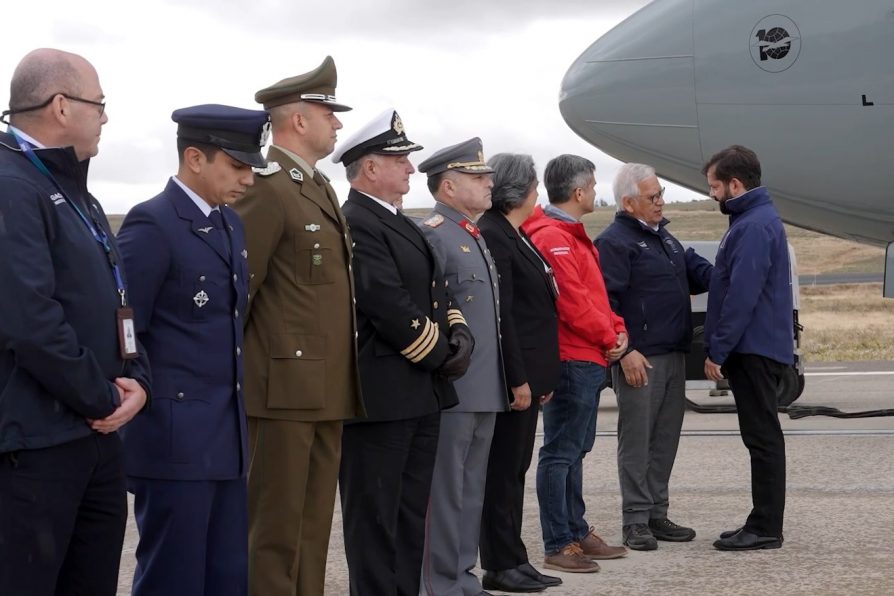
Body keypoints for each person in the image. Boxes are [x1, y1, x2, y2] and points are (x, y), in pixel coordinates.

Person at [0, 48, 151, 596]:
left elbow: (116, 299)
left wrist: (139, 380)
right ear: (61, 106)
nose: (106, 117)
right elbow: (29, 320)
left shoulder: (76, 190)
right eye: (99, 104)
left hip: (94, 439)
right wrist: (103, 398)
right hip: (36, 447)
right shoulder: (11, 184)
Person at [116, 104, 268, 595]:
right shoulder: (153, 223)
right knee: (173, 579)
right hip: (175, 441)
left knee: (227, 577)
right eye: (237, 166)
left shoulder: (230, 224)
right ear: (195, 158)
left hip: (225, 438)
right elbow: (124, 326)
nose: (248, 179)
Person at [232, 56, 365, 596]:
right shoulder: (267, 187)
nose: (337, 124)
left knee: (312, 529)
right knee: (275, 531)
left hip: (324, 387)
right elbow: (240, 293)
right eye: (328, 114)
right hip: (281, 389)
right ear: (298, 120)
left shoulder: (317, 186)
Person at [332, 108, 473, 595]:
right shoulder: (355, 221)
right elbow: (385, 302)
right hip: (382, 396)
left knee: (411, 516)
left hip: (418, 393)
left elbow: (436, 290)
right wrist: (441, 354)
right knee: (375, 520)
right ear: (370, 167)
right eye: (400, 160)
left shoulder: (402, 222)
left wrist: (460, 334)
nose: (411, 167)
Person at [594, 163, 713, 551]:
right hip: (640, 359)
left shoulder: (666, 239)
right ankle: (635, 520)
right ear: (628, 203)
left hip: (673, 353)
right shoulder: (615, 243)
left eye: (661, 194)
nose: (661, 201)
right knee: (637, 440)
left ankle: (656, 513)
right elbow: (605, 303)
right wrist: (624, 351)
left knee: (665, 437)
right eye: (653, 196)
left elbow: (701, 275)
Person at [521, 154, 628, 573]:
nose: (596, 193)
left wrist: (617, 328)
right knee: (560, 453)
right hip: (571, 357)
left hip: (588, 355)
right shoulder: (553, 237)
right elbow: (572, 302)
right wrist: (608, 336)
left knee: (575, 450)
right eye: (594, 186)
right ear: (579, 191)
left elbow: (595, 296)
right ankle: (558, 543)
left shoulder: (570, 235)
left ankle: (576, 531)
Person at [416, 138, 508, 595]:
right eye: (477, 177)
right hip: (454, 388)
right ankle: (438, 582)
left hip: (485, 386)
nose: (489, 182)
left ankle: (461, 577)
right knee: (445, 492)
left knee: (471, 489)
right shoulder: (435, 233)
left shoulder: (472, 234)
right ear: (448, 187)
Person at [701, 145, 793, 551]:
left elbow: (742, 295)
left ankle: (765, 527)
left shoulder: (752, 226)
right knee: (761, 437)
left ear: (735, 184)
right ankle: (762, 521)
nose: (712, 194)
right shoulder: (752, 219)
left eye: (715, 186)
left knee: (762, 438)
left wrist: (717, 350)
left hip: (753, 348)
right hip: (758, 345)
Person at [478, 153, 563, 592]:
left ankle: (514, 556)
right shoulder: (495, 234)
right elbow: (504, 315)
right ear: (519, 190)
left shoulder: (516, 232)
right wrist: (519, 378)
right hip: (515, 379)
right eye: (533, 184)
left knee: (515, 470)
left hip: (531, 375)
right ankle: (499, 562)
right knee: (502, 472)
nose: (538, 192)